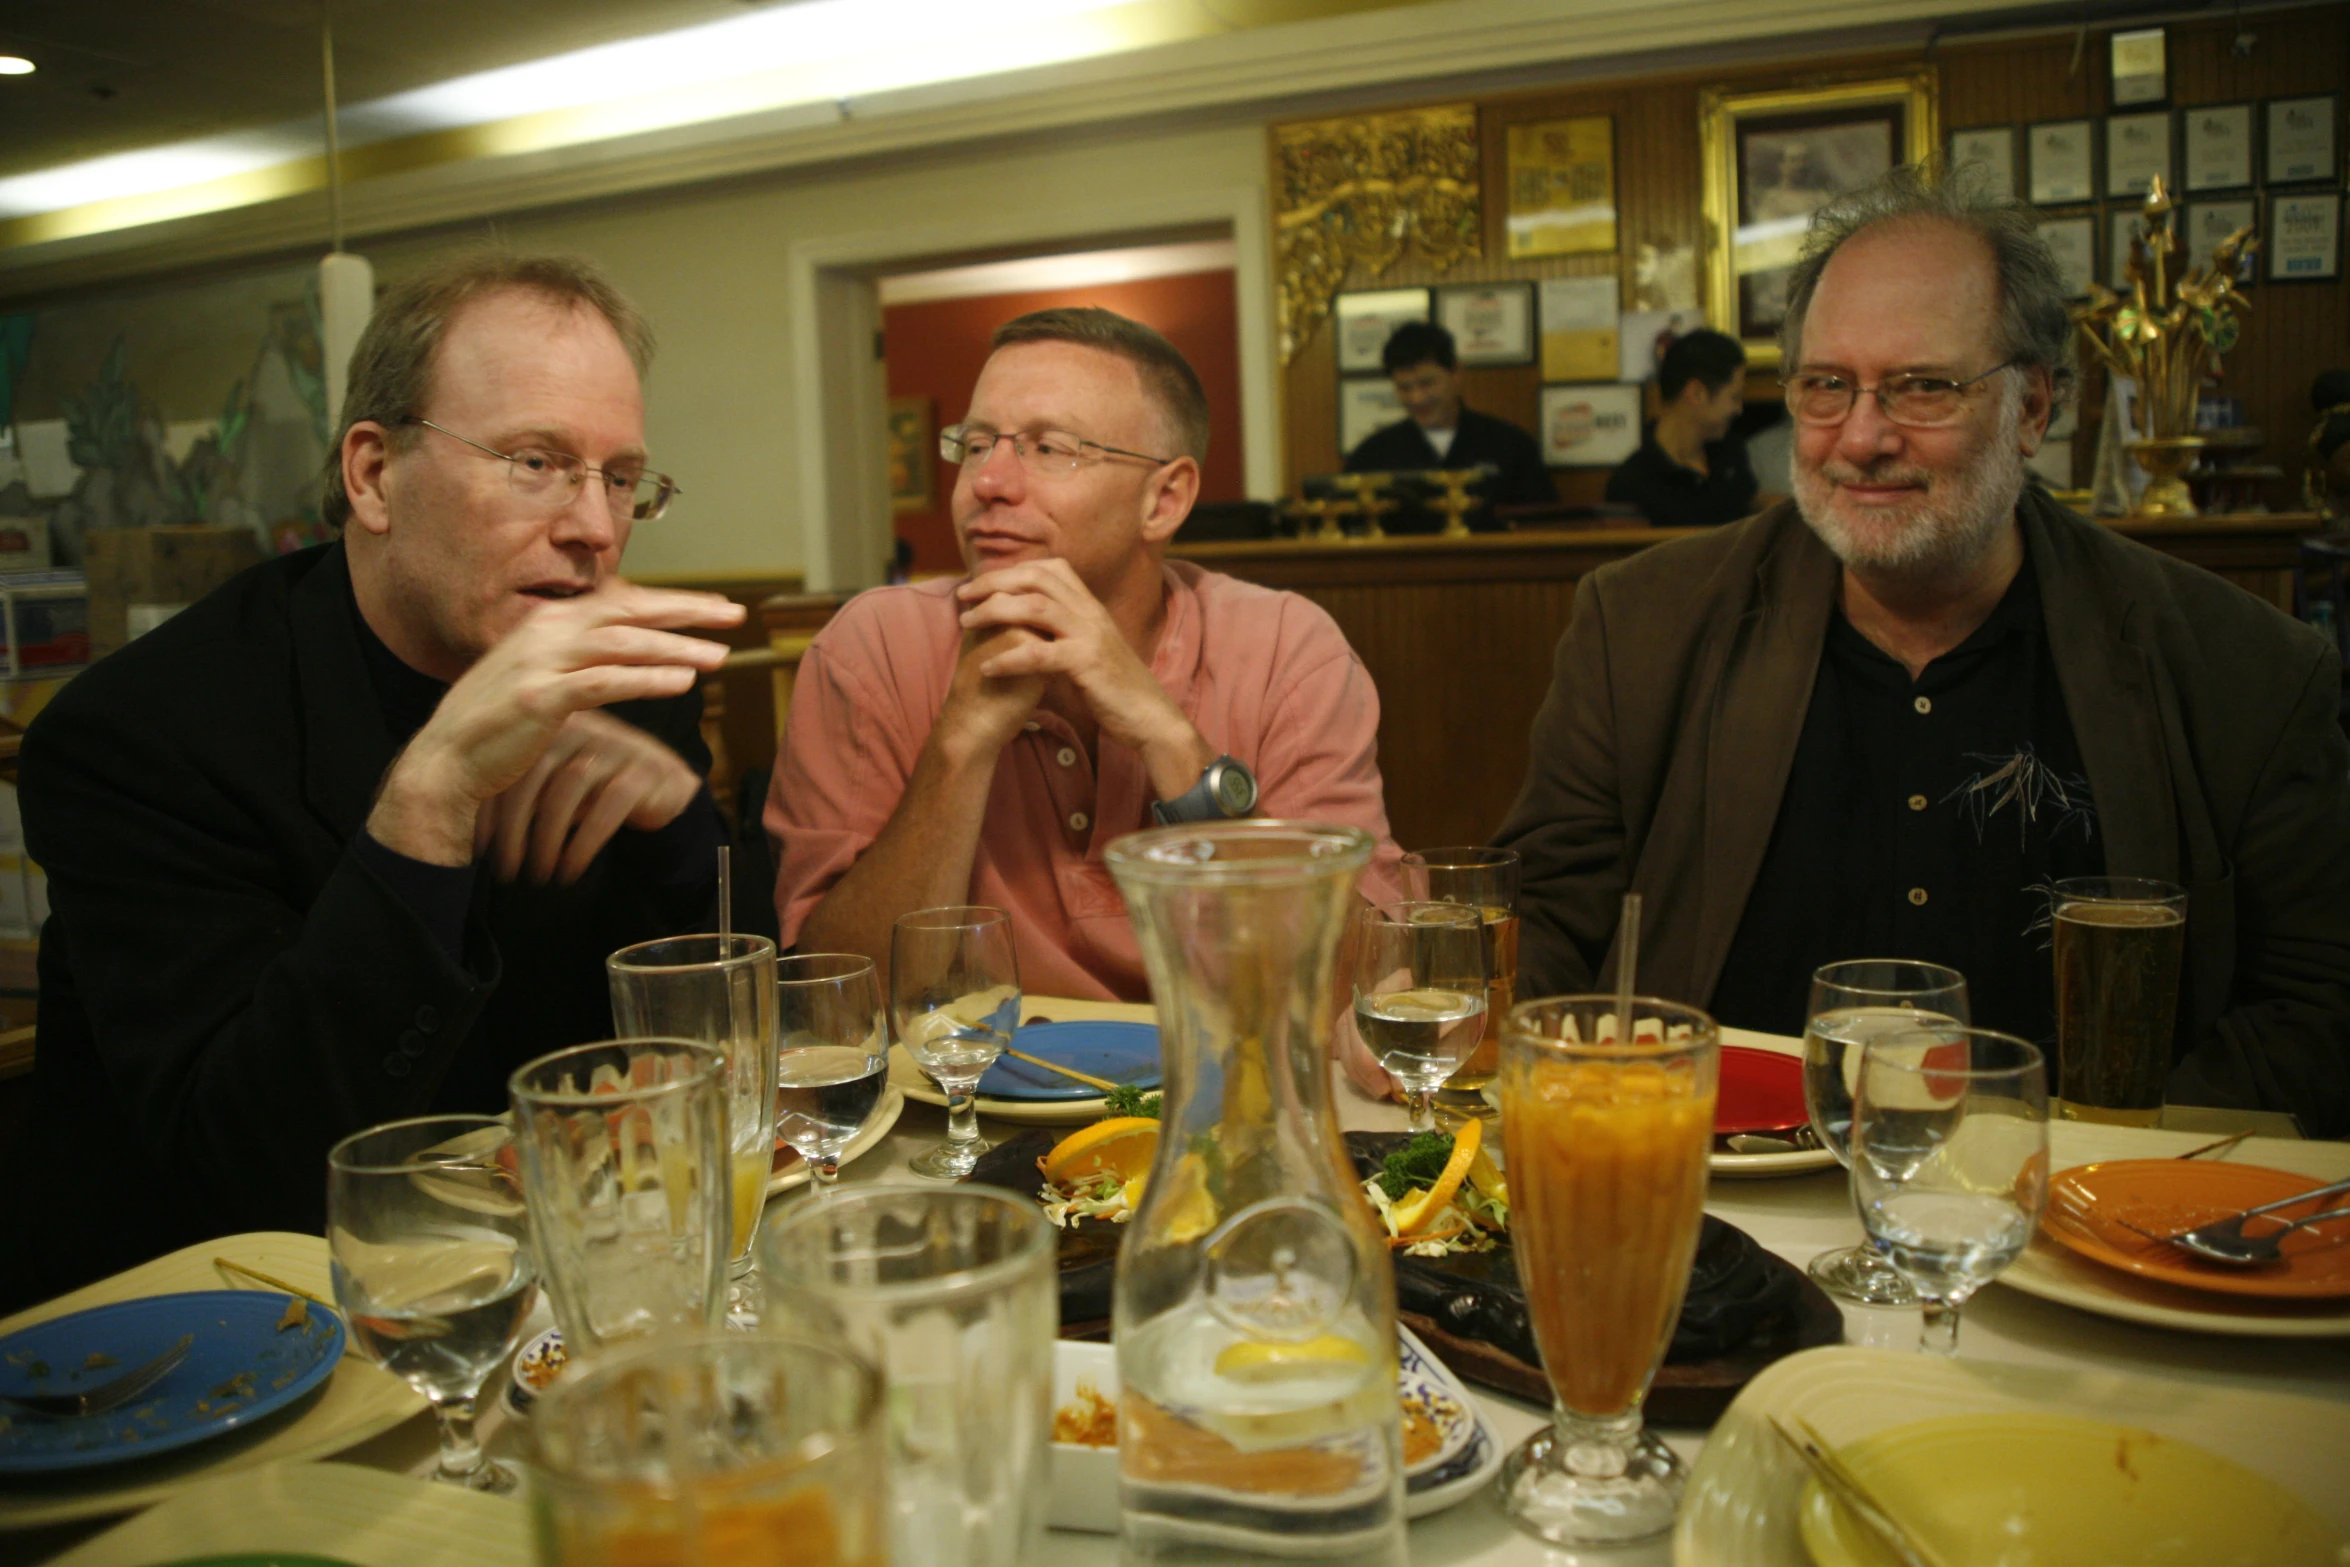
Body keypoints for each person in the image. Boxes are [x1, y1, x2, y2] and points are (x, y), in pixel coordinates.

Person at [1494, 166, 2350, 1134]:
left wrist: (2098, 1174)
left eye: (1921, 388)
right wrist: (1471, 1011)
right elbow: (1546, 924)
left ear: (2031, 408)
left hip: (2077, 1221)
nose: (1859, 437)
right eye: (1825, 387)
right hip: (1707, 1200)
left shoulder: (2245, 672)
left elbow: (2317, 1006)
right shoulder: (1638, 627)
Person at [2, 254, 746, 1308]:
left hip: (550, 1283)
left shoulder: (616, 684)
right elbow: (251, 1165)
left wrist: (677, 825)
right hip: (208, 1331)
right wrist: (427, 801)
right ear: (372, 475)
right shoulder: (142, 734)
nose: (592, 525)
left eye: (619, 477)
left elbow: (752, 1052)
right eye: (535, 461)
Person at [767, 307, 1403, 997]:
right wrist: (961, 743)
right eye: (977, 444)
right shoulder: (873, 648)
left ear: (1164, 499)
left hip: (1221, 1093)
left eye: (1050, 448)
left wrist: (1166, 738)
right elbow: (838, 1001)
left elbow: (1355, 983)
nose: (988, 482)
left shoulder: (1288, 651)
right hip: (966, 1099)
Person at [1343, 320, 1555, 523]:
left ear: (1456, 373)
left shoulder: (1511, 445)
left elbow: (1542, 523)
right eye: (1404, 388)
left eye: (1427, 383)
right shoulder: (1372, 455)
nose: (1417, 398)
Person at [1604, 328, 1763, 527]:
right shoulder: (1630, 484)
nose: (1739, 409)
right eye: (1734, 397)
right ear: (1696, 393)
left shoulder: (1730, 456)